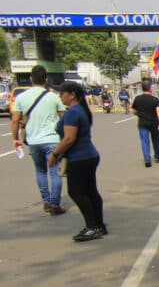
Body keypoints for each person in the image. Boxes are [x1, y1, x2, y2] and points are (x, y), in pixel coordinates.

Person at [47, 82, 105, 242]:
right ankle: (99, 225)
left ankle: (92, 227)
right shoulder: (80, 110)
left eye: (62, 93)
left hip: (79, 157)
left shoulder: (73, 112)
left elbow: (69, 138)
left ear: (72, 94)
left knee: (76, 192)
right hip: (88, 155)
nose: (60, 96)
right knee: (90, 191)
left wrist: (55, 154)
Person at [10, 65, 66, 215]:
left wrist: (15, 138)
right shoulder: (54, 97)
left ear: (30, 79)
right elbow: (63, 118)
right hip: (53, 140)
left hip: (33, 141)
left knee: (40, 171)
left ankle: (46, 201)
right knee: (54, 172)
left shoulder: (21, 97)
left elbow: (15, 120)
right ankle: (55, 204)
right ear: (46, 79)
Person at [131, 80, 159, 167]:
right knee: (156, 141)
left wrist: (138, 114)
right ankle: (157, 156)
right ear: (150, 88)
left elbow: (132, 110)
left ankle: (147, 159)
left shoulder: (137, 99)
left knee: (144, 142)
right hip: (154, 123)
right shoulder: (155, 99)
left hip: (142, 123)